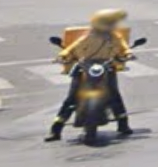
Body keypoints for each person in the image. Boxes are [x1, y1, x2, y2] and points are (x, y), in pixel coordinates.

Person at [49, 8, 134, 141]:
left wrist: (128, 54)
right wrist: (63, 55)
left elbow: (124, 46)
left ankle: (123, 124)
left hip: (106, 65)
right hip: (85, 65)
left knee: (114, 95)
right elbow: (73, 47)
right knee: (71, 98)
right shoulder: (89, 36)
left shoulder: (114, 36)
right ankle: (56, 129)